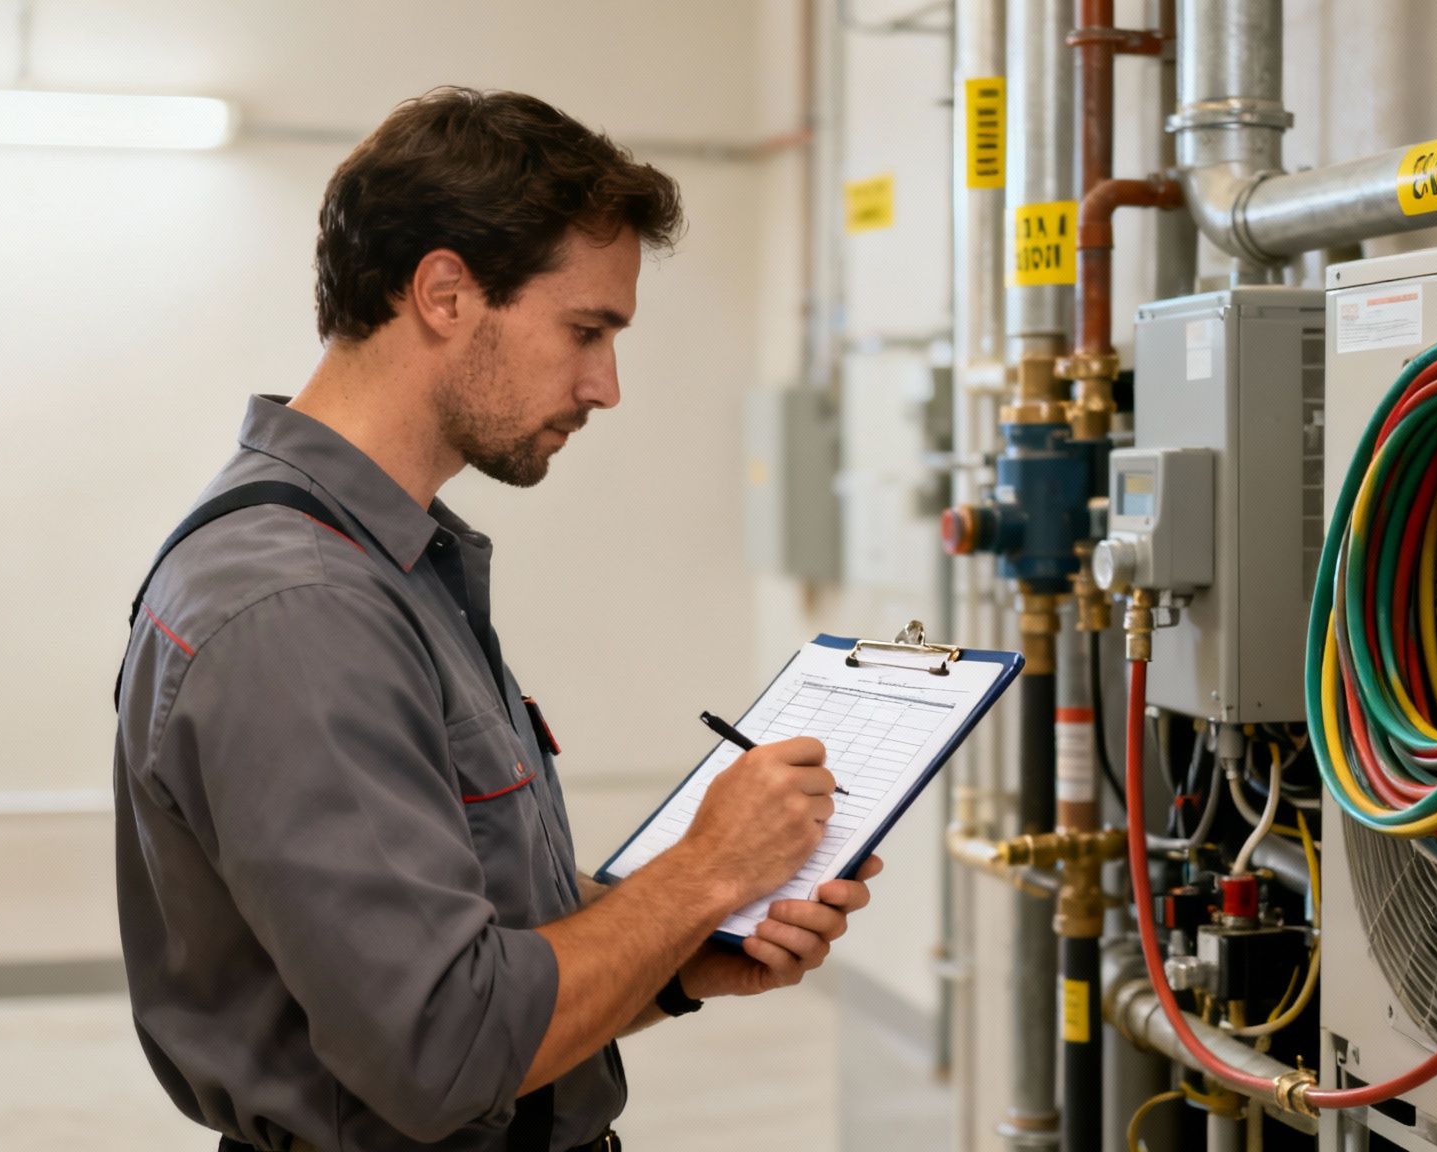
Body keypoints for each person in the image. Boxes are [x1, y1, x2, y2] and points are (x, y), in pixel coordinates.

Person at [112, 86, 880, 1152]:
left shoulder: (385, 564)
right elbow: (443, 1050)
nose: (604, 385)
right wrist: (705, 870)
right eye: (584, 329)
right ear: (444, 293)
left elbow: (476, 958)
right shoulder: (302, 609)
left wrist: (675, 954)